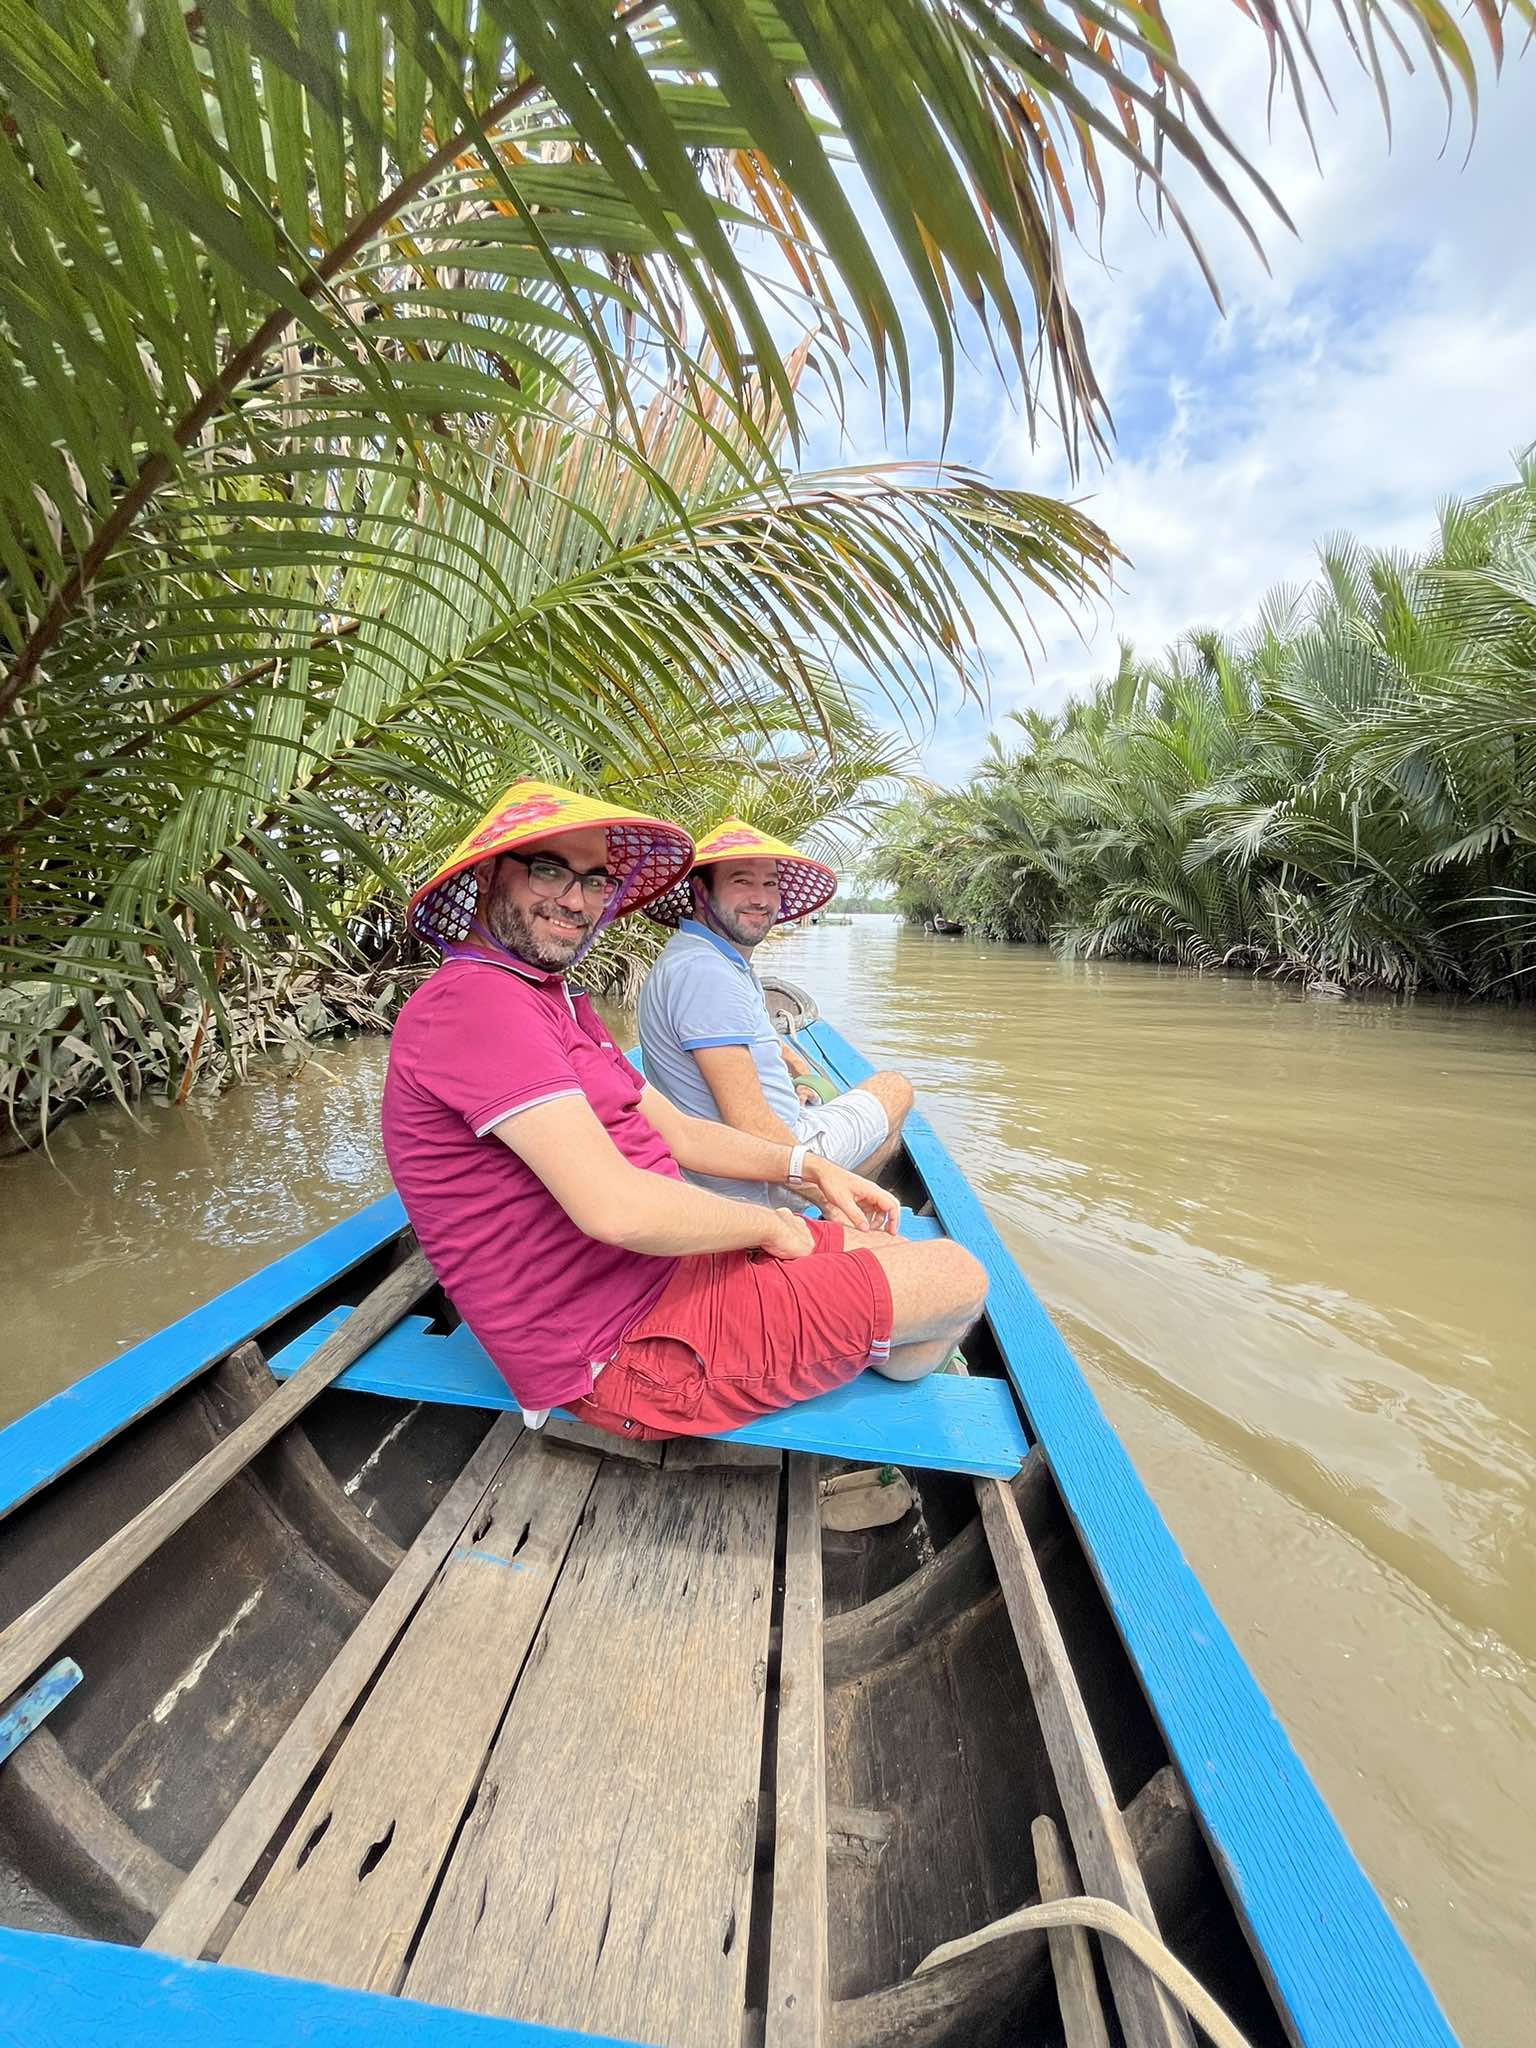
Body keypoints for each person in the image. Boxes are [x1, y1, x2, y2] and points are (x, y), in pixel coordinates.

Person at [381, 781, 986, 1444]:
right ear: (489, 874)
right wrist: (773, 1228)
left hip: (671, 1269)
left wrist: (806, 1167)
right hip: (623, 1351)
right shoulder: (477, 1004)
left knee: (886, 1246)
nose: (575, 899)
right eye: (549, 870)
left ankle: (847, 1336)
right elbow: (615, 1208)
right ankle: (864, 1352)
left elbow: (683, 1134)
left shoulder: (548, 1000)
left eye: (594, 879)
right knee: (959, 1277)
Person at [637, 820, 914, 1205]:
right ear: (701, 892)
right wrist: (825, 1194)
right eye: (741, 882)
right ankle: (841, 1204)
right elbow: (749, 1125)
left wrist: (796, 1075)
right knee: (894, 1088)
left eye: (770, 884)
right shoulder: (707, 974)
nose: (760, 898)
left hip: (747, 1164)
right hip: (764, 1179)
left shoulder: (705, 957)